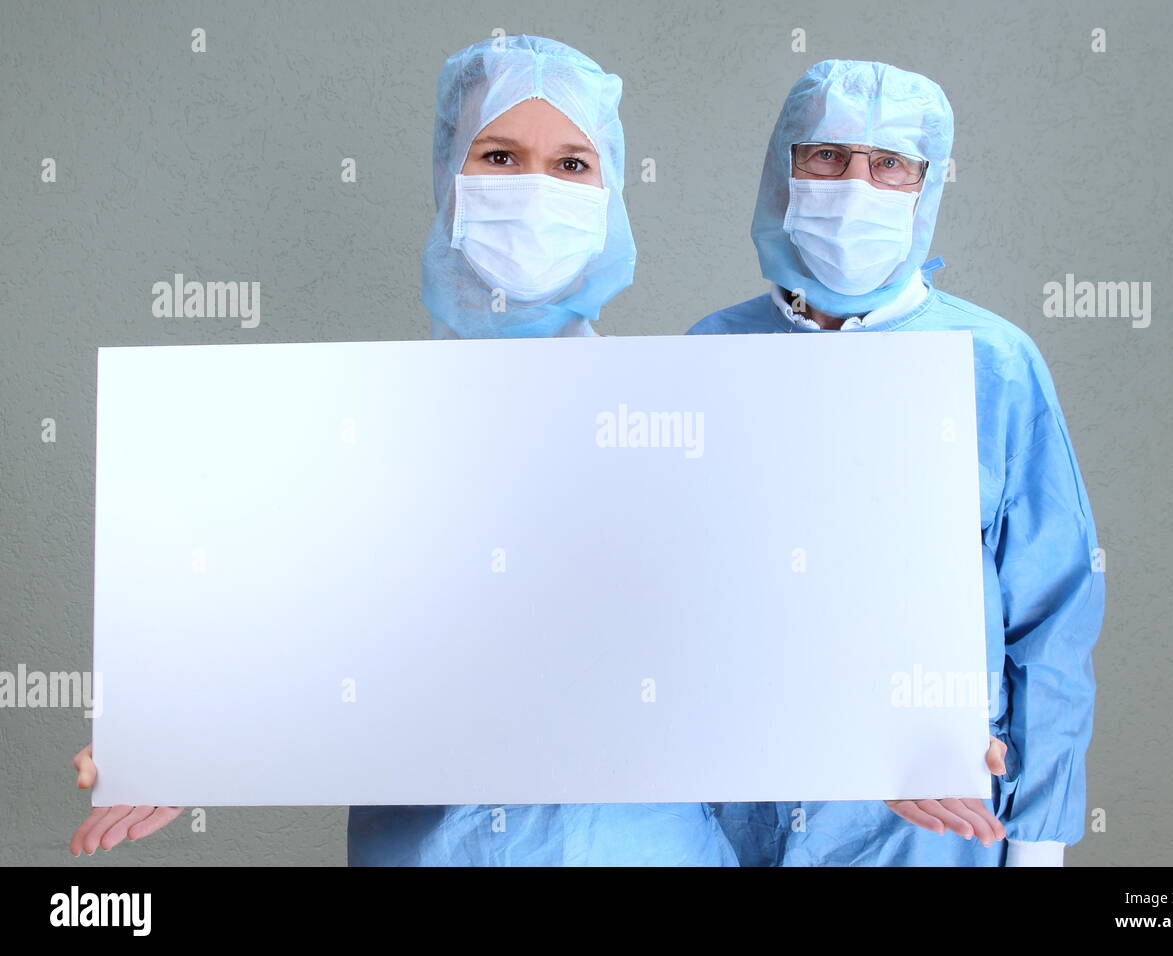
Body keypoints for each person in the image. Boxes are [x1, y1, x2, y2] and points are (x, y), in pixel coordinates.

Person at [70, 35, 739, 867]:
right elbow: (291, 640)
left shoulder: (688, 424)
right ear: (450, 180)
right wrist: (178, 739)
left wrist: (881, 742)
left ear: (610, 194)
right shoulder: (345, 438)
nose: (534, 187)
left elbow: (758, 648)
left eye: (571, 164)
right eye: (499, 155)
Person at [690, 60, 1105, 866]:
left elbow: (1052, 609)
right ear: (785, 168)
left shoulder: (994, 361)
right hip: (742, 807)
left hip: (940, 817)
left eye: (889, 165)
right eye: (828, 157)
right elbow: (683, 597)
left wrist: (1039, 836)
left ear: (926, 186)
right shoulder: (713, 351)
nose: (856, 184)